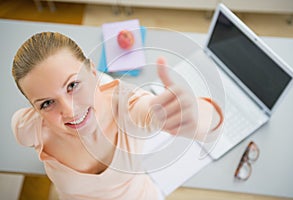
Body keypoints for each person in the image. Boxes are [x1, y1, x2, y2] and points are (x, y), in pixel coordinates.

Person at [11, 32, 223, 200]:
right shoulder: (30, 129)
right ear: (35, 109)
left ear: (93, 72)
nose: (69, 110)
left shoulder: (125, 105)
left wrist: (198, 116)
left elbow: (204, 120)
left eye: (72, 85)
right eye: (47, 103)